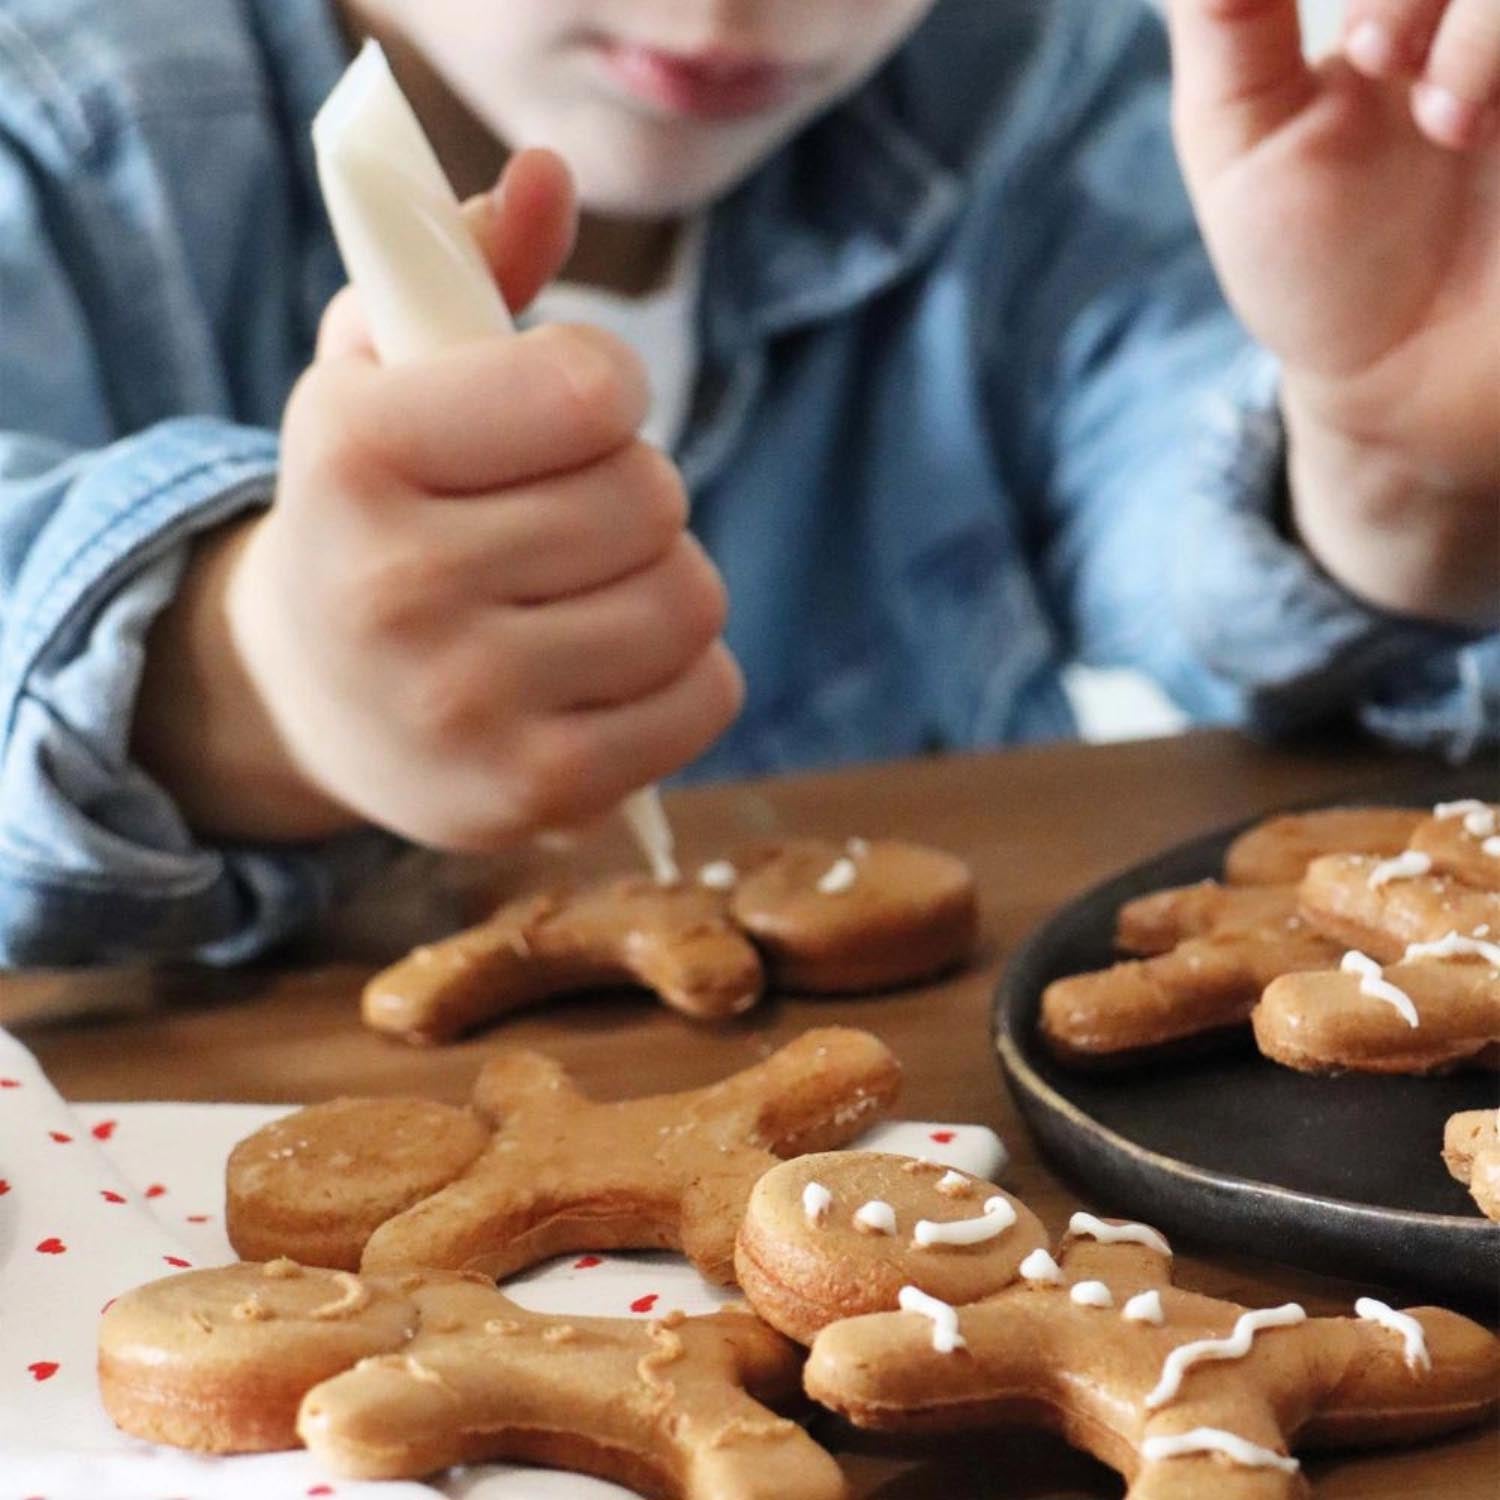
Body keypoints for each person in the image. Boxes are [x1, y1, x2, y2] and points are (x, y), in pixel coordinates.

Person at [0, 0, 1494, 967]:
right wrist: (243, 677)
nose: (728, 8)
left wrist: (1385, 461)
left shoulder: (1037, 86)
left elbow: (1191, 531)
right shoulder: (64, 131)